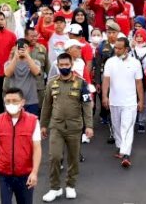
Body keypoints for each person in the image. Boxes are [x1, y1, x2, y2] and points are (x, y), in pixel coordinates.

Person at [40, 53, 93, 202]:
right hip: (56, 126)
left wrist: (89, 126)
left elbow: (87, 106)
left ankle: (70, 185)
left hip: (74, 127)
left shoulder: (81, 83)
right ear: (57, 65)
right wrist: (43, 125)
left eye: (66, 65)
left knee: (73, 158)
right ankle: (54, 188)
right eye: (61, 65)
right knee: (55, 157)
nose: (64, 67)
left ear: (71, 65)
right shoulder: (51, 83)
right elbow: (46, 106)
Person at [0, 88, 42, 204]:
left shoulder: (33, 121)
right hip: (2, 175)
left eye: (14, 100)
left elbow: (37, 148)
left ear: (22, 102)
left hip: (25, 175)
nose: (11, 103)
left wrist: (34, 172)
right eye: (7, 101)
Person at [102, 37, 144, 168]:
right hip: (114, 101)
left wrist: (141, 100)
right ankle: (120, 147)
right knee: (117, 127)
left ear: (126, 49)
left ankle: (126, 154)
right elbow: (106, 80)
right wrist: (105, 96)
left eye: (119, 48)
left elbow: (139, 83)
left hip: (130, 102)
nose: (116, 50)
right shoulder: (110, 62)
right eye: (115, 47)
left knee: (127, 127)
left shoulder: (135, 63)